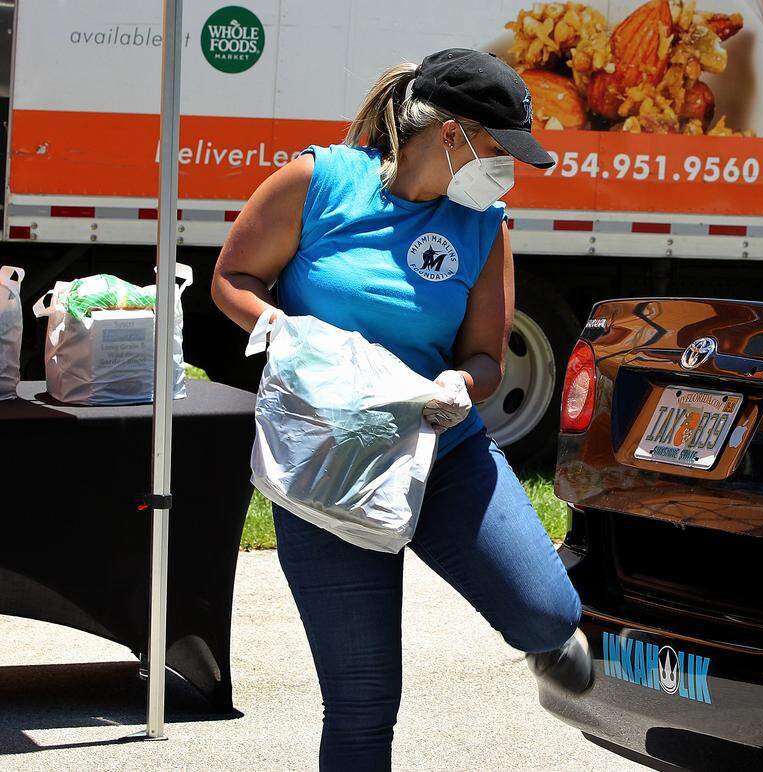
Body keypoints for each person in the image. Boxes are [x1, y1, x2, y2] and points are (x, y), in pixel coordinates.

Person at [211, 48, 590, 770]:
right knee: (362, 703)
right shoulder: (318, 181)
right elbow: (232, 276)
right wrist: (278, 331)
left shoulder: (484, 224)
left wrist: (462, 386)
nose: (508, 171)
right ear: (450, 135)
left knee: (549, 611)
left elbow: (485, 354)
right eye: (499, 151)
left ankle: (546, 642)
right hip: (330, 469)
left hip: (442, 453)